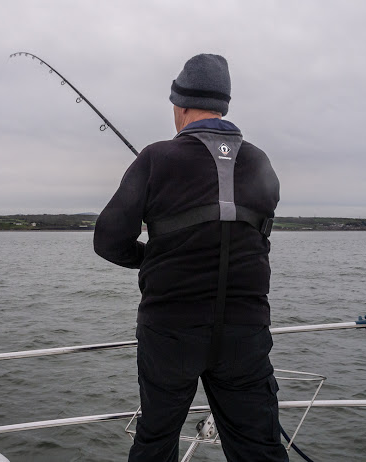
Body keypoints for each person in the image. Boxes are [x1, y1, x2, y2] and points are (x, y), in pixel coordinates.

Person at [93, 54, 289, 462]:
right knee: (260, 448)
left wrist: (152, 256)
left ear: (180, 106)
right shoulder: (260, 162)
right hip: (245, 333)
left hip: (171, 333)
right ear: (223, 106)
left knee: (156, 442)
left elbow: (108, 240)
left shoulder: (156, 157)